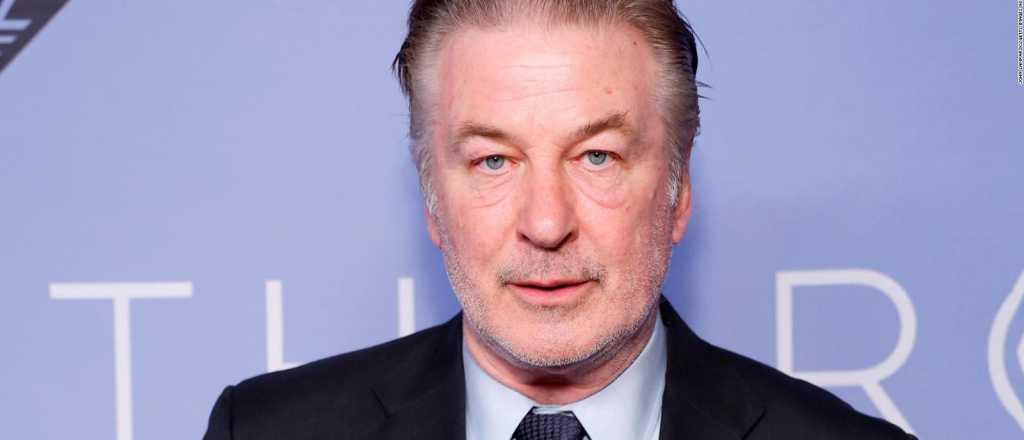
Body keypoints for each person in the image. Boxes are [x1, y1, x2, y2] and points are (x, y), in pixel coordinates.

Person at [203, 1, 917, 439]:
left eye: (596, 156)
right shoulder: (264, 432)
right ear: (432, 199)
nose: (546, 225)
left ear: (678, 191)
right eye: (494, 161)